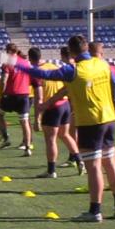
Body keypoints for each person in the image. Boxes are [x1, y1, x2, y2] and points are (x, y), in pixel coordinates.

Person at [16, 35, 115, 222]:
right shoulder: (103, 65)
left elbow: (43, 74)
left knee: (93, 168)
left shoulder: (73, 70)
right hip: (108, 119)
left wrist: (16, 63)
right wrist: (114, 108)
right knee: (110, 163)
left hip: (89, 121)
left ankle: (95, 211)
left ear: (72, 51)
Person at [29, 47, 82, 179]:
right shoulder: (54, 66)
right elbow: (66, 86)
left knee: (51, 139)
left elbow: (39, 97)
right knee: (65, 135)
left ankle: (51, 170)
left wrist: (37, 118)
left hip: (52, 107)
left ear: (30, 59)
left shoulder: (37, 73)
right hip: (64, 105)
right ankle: (79, 160)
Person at [0, 43, 34, 155]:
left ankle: (5, 137)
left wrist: (1, 94)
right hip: (24, 94)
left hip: (11, 94)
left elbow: (4, 79)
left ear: (8, 51)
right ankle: (27, 147)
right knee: (24, 121)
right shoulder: (25, 62)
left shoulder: (8, 62)